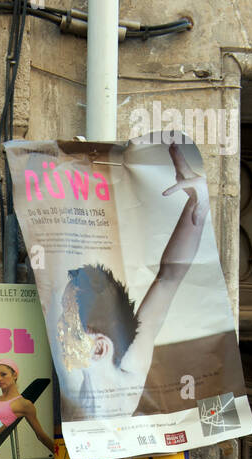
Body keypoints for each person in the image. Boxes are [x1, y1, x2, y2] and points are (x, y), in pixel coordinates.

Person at [54, 142, 210, 421]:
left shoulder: (126, 375)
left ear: (100, 347)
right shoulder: (95, 383)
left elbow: (169, 278)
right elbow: (168, 278)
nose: (59, 333)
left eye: (68, 325)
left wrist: (197, 204)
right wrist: (195, 205)